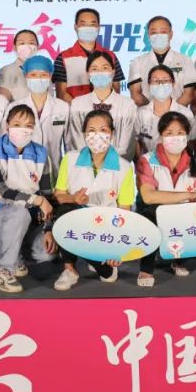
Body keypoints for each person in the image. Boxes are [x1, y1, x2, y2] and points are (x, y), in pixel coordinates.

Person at [52, 110, 137, 290]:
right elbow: (59, 195)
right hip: (77, 218)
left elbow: (124, 210)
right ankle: (70, 269)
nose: (97, 135)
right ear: (84, 134)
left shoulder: (124, 167)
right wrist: (73, 198)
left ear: (111, 133)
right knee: (64, 210)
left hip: (105, 226)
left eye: (103, 130)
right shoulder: (70, 159)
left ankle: (97, 258)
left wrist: (117, 248)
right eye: (91, 130)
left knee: (108, 276)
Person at [0, 104, 56, 293]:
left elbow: (47, 195)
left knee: (44, 254)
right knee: (19, 213)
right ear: (7, 126)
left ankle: (16, 254)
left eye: (28, 125)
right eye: (17, 124)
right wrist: (37, 201)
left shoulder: (41, 154)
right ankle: (3, 270)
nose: (23, 130)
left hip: (30, 216)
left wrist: (48, 229)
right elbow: (2, 193)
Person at [135, 112, 196, 286]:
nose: (175, 137)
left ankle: (178, 261)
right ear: (161, 136)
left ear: (187, 136)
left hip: (183, 217)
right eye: (169, 133)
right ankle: (146, 269)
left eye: (180, 133)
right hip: (156, 214)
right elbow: (149, 196)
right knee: (151, 213)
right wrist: (189, 195)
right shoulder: (146, 161)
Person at [1, 55, 70, 183]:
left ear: (50, 76)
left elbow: (69, 145)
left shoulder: (63, 107)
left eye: (43, 75)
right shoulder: (14, 107)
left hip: (54, 173)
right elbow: (5, 144)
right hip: (22, 173)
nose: (38, 79)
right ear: (26, 76)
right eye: (33, 75)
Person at [67, 50, 137, 160]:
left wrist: (109, 163)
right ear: (88, 74)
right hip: (85, 166)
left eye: (105, 68)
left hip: (118, 165)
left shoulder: (128, 105)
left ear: (113, 72)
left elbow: (126, 146)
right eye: (94, 69)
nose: (100, 72)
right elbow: (77, 142)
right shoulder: (78, 104)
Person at [53, 8, 125, 101]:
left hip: (106, 109)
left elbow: (116, 89)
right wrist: (80, 107)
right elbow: (61, 94)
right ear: (75, 27)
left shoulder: (111, 56)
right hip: (74, 109)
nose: (88, 28)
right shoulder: (63, 57)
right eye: (83, 24)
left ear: (98, 27)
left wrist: (102, 107)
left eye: (92, 24)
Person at [128, 15, 196, 107]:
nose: (158, 36)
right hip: (146, 114)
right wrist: (151, 111)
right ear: (148, 35)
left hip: (178, 113)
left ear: (171, 34)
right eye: (154, 32)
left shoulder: (185, 60)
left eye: (163, 32)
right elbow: (136, 94)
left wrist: (173, 112)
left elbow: (189, 94)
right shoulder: (137, 62)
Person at [135, 65, 196, 157]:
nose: (160, 84)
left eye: (165, 80)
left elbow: (192, 143)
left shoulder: (185, 113)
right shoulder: (140, 114)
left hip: (179, 163)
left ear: (173, 83)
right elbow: (136, 144)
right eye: (156, 81)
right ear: (149, 84)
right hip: (149, 163)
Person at [0, 29, 40, 101]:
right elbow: (1, 101)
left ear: (38, 47)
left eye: (31, 43)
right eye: (22, 43)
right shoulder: (7, 70)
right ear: (14, 47)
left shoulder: (45, 71)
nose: (27, 46)